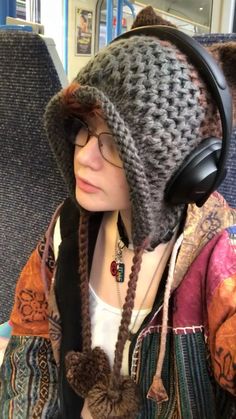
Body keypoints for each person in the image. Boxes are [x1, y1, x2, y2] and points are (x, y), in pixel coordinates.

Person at [0, 6, 236, 418]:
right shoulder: (66, 230)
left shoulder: (219, 264)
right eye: (83, 128)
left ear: (178, 167)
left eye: (114, 142)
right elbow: (29, 355)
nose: (85, 157)